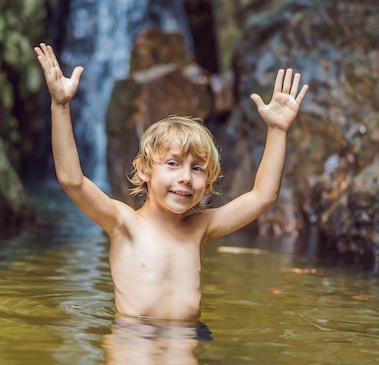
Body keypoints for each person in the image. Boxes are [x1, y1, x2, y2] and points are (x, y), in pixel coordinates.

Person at [34, 42, 308, 322]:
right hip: (134, 338)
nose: (186, 178)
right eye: (173, 164)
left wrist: (277, 130)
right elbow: (72, 180)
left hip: (187, 337)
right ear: (143, 170)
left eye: (198, 168)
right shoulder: (123, 223)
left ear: (209, 179)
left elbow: (263, 196)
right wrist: (60, 105)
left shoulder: (201, 227)